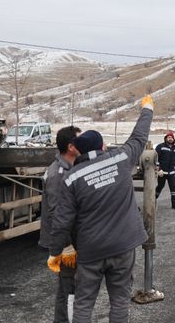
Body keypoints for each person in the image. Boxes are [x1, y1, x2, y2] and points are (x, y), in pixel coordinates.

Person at [47, 95, 154, 323]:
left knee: (84, 303)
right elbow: (139, 136)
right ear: (101, 146)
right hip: (123, 246)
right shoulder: (121, 159)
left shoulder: (71, 178)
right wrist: (147, 110)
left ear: (79, 151)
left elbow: (62, 220)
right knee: (120, 302)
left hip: (91, 251)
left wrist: (55, 252)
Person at [39, 125, 81, 323]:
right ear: (72, 147)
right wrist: (66, 247)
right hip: (65, 243)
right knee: (68, 290)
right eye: (80, 139)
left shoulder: (71, 167)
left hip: (71, 239)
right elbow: (56, 214)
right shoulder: (57, 175)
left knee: (69, 288)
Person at [155, 130, 175, 209]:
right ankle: (152, 200)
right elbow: (156, 159)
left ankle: (174, 204)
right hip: (162, 172)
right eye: (168, 137)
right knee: (160, 187)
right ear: (165, 138)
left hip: (171, 173)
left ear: (173, 139)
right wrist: (159, 169)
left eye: (171, 137)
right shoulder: (160, 146)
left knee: (173, 189)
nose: (170, 139)